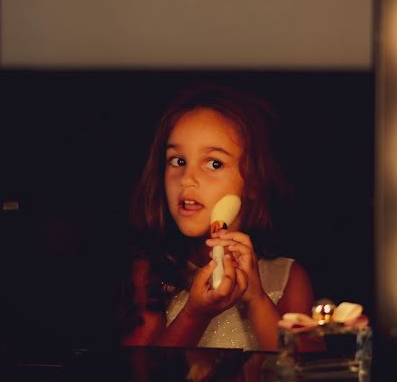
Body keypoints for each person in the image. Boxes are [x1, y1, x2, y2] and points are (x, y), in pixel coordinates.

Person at [122, 85, 314, 351]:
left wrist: (257, 299)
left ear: (254, 183)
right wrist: (195, 313)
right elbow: (141, 373)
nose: (187, 178)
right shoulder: (150, 273)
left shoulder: (288, 278)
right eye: (177, 161)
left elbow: (302, 370)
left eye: (214, 163)